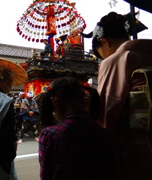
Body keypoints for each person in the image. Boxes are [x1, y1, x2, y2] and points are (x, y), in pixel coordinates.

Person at [92, 12, 152, 179]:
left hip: (137, 146)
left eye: (101, 53)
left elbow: (108, 109)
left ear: (104, 41)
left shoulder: (117, 59)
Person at [38, 77, 114, 180]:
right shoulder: (105, 134)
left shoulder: (49, 135)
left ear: (55, 102)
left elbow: (46, 175)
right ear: (86, 101)